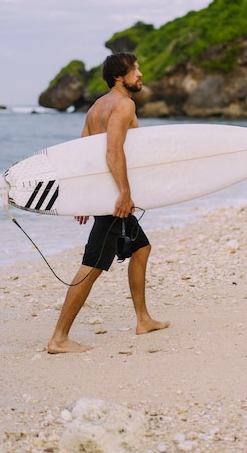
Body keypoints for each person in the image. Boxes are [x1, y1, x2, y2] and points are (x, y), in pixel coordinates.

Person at [47, 52, 170, 354]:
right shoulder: (124, 104)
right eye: (134, 69)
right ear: (119, 76)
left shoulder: (95, 109)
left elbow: (83, 157)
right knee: (92, 265)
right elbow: (113, 151)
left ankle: (143, 319)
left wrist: (83, 198)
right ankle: (59, 338)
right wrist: (125, 193)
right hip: (114, 200)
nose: (140, 74)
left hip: (104, 195)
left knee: (141, 248)